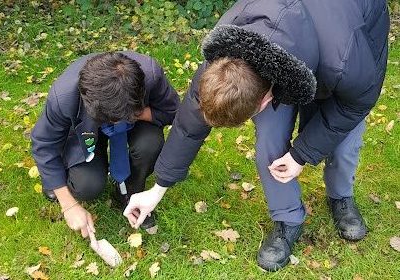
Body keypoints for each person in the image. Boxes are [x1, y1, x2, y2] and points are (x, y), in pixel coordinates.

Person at [123, 0, 390, 272]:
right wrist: (158, 189)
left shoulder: (344, 60)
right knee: (269, 141)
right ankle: (288, 219)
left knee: (343, 144)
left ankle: (341, 196)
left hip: (354, 30)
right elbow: (189, 125)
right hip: (297, 44)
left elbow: (355, 104)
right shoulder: (223, 56)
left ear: (264, 99)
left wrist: (303, 153)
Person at [31, 51, 180, 238]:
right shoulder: (64, 96)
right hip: (86, 128)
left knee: (150, 144)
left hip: (134, 121)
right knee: (87, 186)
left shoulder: (151, 74)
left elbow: (172, 112)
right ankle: (63, 177)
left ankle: (129, 191)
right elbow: (44, 144)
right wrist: (68, 204)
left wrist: (135, 114)